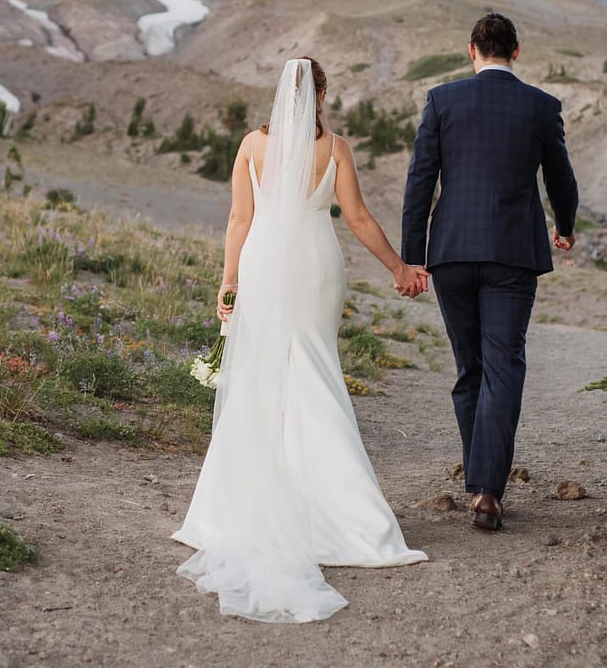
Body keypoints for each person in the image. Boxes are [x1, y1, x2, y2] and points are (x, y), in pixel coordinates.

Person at [172, 57, 428, 622]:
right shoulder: (334, 148)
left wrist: (229, 281)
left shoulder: (251, 145)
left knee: (262, 375)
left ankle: (243, 506)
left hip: (264, 262)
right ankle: (342, 515)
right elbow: (358, 219)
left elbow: (239, 220)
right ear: (321, 95)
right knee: (314, 372)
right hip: (315, 266)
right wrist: (399, 267)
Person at [400, 13, 579, 532]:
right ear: (516, 51)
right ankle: (485, 491)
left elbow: (420, 180)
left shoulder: (442, 100)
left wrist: (413, 255)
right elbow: (561, 178)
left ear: (471, 50)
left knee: (470, 369)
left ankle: (479, 479)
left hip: (451, 251)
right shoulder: (541, 106)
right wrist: (565, 225)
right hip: (512, 253)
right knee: (504, 367)